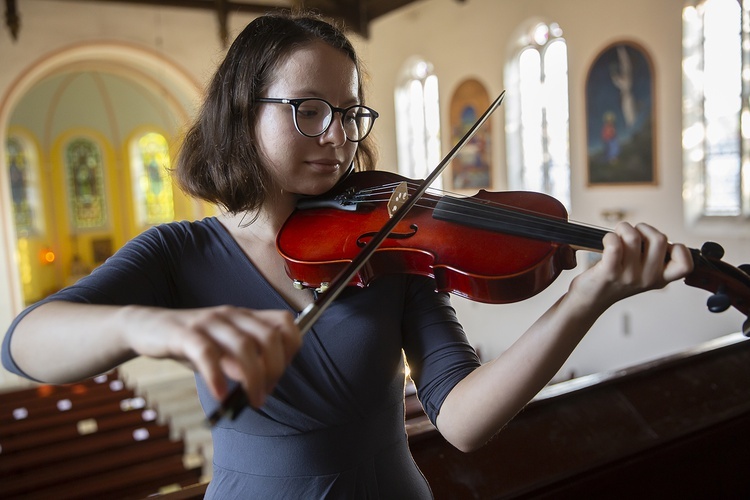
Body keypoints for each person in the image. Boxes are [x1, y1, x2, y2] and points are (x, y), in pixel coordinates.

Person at [1, 10, 693, 498]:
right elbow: (23, 343)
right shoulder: (180, 252)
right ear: (243, 111)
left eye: (350, 111)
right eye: (309, 109)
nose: (337, 136)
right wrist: (145, 325)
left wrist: (585, 300)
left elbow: (462, 421)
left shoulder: (388, 238)